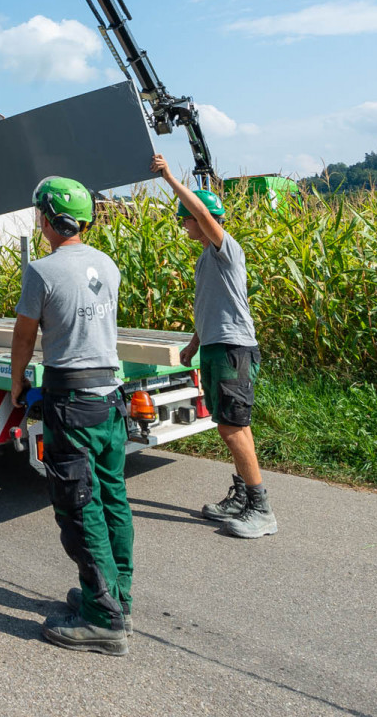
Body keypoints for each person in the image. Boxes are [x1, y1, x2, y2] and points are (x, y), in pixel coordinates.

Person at [9, 175, 132, 657]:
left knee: (80, 506)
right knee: (113, 498)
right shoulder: (108, 264)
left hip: (73, 404)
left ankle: (103, 619)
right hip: (111, 400)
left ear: (48, 219)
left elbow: (25, 335)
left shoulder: (42, 272)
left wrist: (17, 383)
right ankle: (118, 597)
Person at [152, 153, 278, 539]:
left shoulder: (226, 249)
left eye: (185, 218)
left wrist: (170, 178)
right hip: (213, 346)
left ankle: (261, 510)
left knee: (232, 427)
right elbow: (211, 308)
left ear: (200, 219)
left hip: (233, 349)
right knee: (231, 425)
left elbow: (204, 214)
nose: (183, 224)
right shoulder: (205, 259)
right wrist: (194, 345)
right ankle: (242, 497)